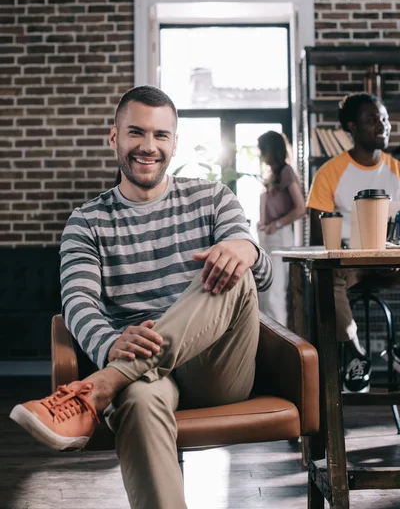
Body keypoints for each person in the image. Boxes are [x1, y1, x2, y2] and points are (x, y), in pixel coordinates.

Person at [10, 85, 273, 509]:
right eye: (135, 133)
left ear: (174, 142)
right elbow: (78, 302)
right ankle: (119, 380)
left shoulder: (212, 199)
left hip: (217, 370)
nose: (148, 147)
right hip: (145, 374)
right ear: (114, 137)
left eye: (160, 135)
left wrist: (249, 249)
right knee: (135, 395)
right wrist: (111, 343)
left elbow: (261, 278)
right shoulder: (87, 222)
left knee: (234, 267)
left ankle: (99, 387)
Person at [307, 92, 400, 393]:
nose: (383, 125)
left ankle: (397, 349)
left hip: (391, 263)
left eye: (384, 119)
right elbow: (317, 239)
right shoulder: (329, 173)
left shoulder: (397, 171)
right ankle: (356, 354)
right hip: (349, 265)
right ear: (352, 128)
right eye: (372, 120)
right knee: (324, 278)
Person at [256, 131, 306, 326]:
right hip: (268, 237)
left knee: (274, 293)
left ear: (272, 150)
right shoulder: (272, 175)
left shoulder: (286, 172)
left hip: (280, 237)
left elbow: (301, 208)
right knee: (264, 294)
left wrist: (275, 224)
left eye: (263, 150)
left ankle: (281, 347)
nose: (261, 155)